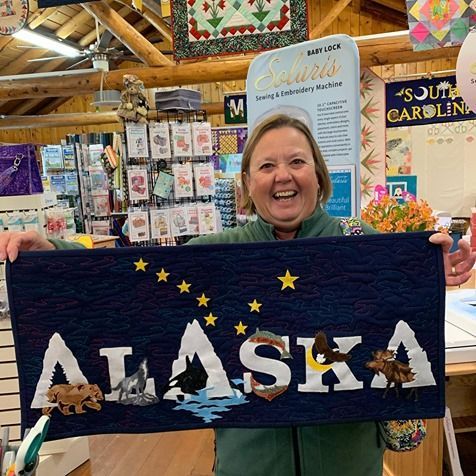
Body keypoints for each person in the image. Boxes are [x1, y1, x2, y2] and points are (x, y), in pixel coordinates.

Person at [0, 114, 474, 476]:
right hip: (248, 463)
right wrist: (51, 258)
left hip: (347, 461)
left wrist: (433, 265)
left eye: (296, 161)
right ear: (249, 183)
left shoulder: (360, 242)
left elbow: (401, 304)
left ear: (318, 174)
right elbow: (129, 284)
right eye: (266, 165)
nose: (282, 175)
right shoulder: (215, 256)